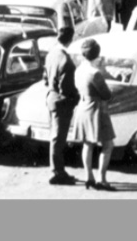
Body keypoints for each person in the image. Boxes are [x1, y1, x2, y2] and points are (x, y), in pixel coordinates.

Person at [71, 38, 115, 191]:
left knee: (87, 144)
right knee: (108, 145)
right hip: (97, 110)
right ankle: (101, 179)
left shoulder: (79, 70)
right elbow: (107, 95)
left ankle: (88, 177)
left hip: (82, 107)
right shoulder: (95, 73)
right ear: (97, 54)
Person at [44, 25, 79, 186]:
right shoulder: (67, 62)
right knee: (58, 138)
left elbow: (46, 78)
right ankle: (57, 172)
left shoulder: (51, 54)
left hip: (51, 98)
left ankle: (58, 170)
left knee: (55, 137)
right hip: (62, 102)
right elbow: (67, 89)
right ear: (71, 39)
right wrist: (77, 99)